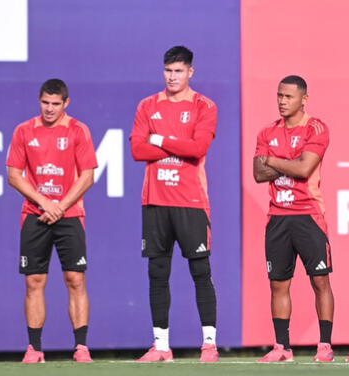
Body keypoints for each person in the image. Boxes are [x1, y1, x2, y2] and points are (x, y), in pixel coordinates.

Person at [130, 46, 219, 362]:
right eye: (168, 70)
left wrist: (159, 140)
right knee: (157, 272)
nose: (172, 76)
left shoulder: (204, 106)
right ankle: (161, 346)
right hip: (155, 201)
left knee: (200, 270)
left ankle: (209, 344)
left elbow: (197, 148)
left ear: (190, 72)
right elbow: (137, 150)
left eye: (179, 71)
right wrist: (172, 147)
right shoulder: (147, 105)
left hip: (191, 201)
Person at [6, 79, 98, 363]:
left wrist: (60, 206)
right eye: (45, 102)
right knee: (34, 280)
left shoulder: (78, 130)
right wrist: (45, 203)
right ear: (39, 100)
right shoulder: (24, 130)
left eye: (55, 104)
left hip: (69, 215)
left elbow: (87, 176)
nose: (49, 108)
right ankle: (34, 349)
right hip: (35, 215)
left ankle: (81, 347)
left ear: (66, 103)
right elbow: (13, 175)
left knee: (75, 279)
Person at [253, 75, 334, 363]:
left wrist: (274, 160)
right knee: (278, 284)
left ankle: (324, 346)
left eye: (288, 97)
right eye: (279, 96)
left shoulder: (316, 127)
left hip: (308, 215)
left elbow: (304, 168)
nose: (282, 101)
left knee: (320, 280)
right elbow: (258, 174)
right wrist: (291, 161)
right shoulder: (266, 132)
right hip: (277, 217)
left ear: (304, 99)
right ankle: (282, 347)